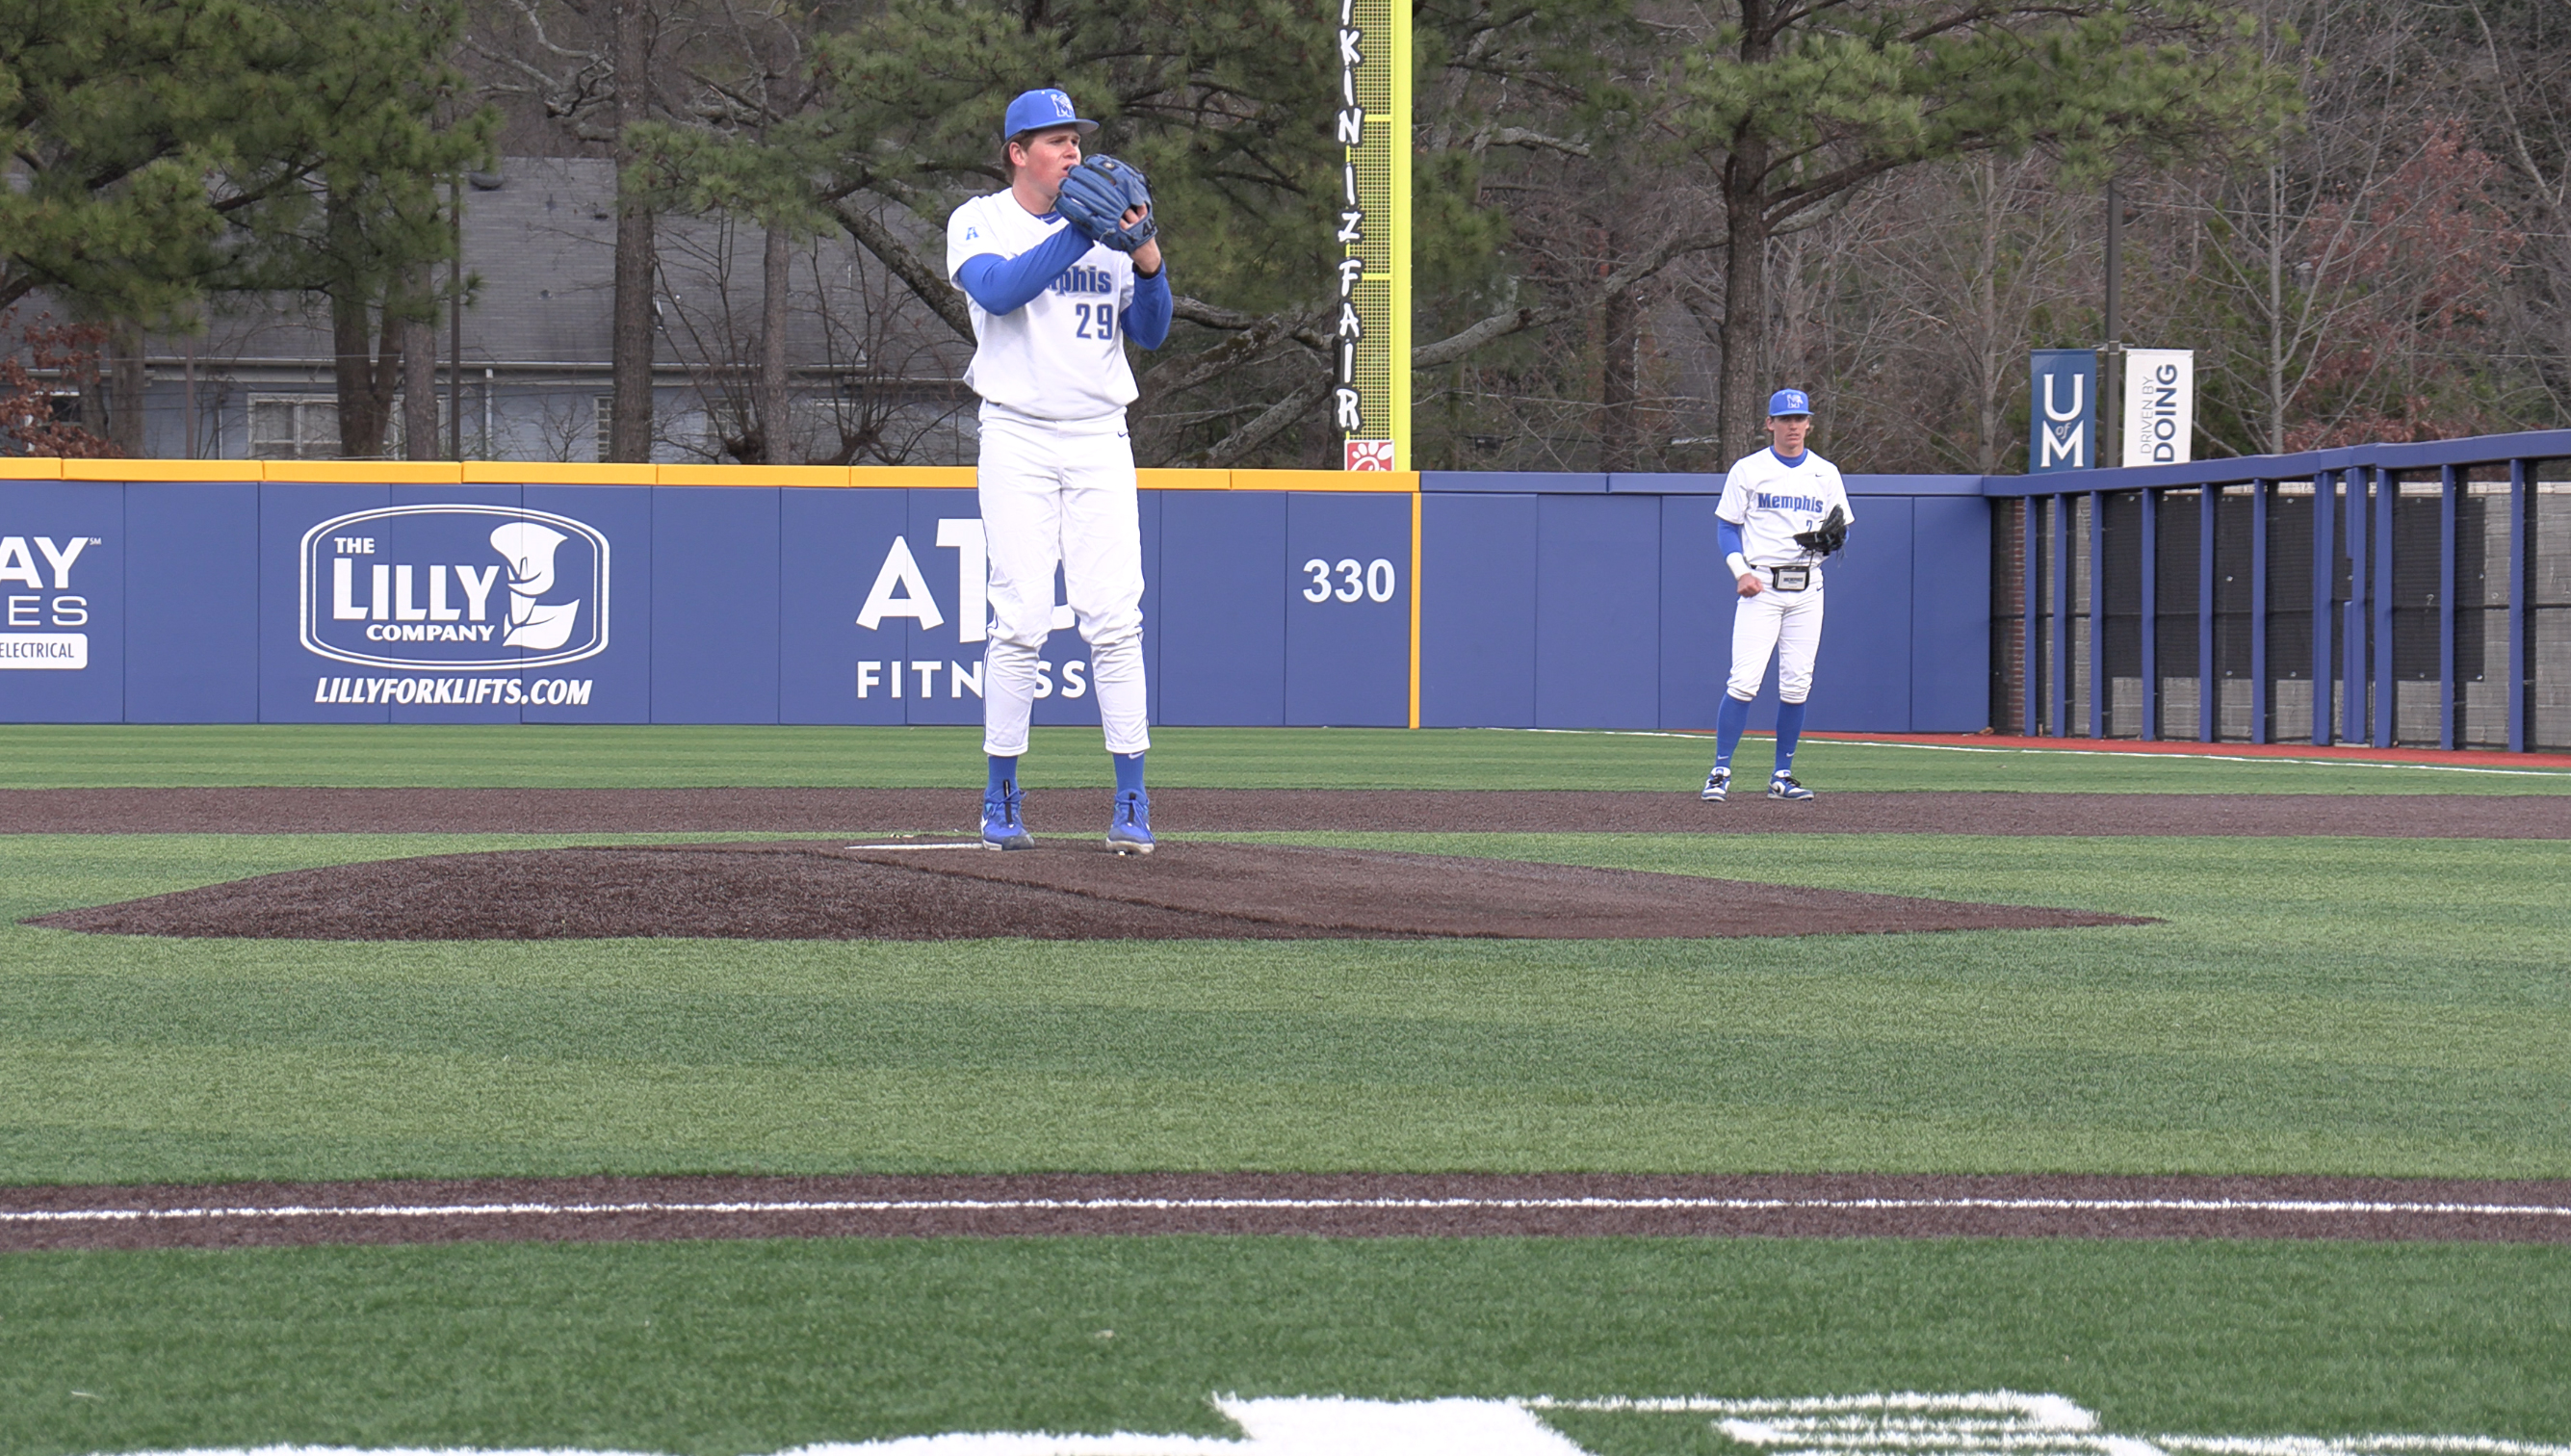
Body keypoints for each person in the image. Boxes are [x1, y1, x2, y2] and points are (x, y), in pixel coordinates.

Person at [947, 87, 1173, 853]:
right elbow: (999, 290)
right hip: (1016, 433)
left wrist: (1148, 260)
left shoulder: (1107, 231)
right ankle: (1001, 794)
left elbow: (1151, 332)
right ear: (1017, 153)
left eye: (1076, 138)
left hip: (1099, 433)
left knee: (1115, 619)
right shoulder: (981, 219)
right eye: (1054, 139)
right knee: (1019, 620)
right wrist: (1085, 230)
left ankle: (1132, 797)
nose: (1073, 150)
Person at [1701, 388, 1853, 803]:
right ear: (1770, 424)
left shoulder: (1825, 473)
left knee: (1797, 684)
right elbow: (1726, 527)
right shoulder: (1749, 469)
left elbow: (1841, 528)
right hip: (1762, 586)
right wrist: (1740, 572)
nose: (1793, 426)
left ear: (1809, 424)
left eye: (1799, 418)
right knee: (1744, 680)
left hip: (1808, 586)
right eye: (1785, 419)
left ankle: (1782, 774)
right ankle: (1720, 771)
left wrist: (1835, 539)